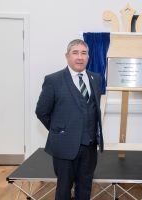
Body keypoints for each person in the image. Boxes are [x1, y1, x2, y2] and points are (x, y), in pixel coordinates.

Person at [35, 39, 104, 200]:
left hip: (89, 147)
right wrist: (59, 131)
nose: (80, 57)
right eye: (75, 53)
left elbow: (92, 110)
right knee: (64, 189)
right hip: (65, 148)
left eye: (84, 53)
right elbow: (42, 111)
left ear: (88, 57)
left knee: (85, 188)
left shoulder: (96, 78)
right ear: (67, 56)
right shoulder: (53, 80)